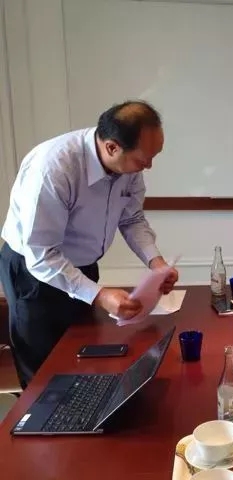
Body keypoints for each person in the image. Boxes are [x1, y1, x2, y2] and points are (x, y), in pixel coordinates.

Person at [0, 100, 179, 388]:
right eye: (143, 159)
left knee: (81, 356)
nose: (148, 166)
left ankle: (84, 410)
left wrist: (156, 264)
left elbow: (131, 218)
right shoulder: (53, 168)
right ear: (112, 147)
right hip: (33, 272)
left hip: (82, 265)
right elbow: (41, 254)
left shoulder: (128, 167)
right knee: (43, 376)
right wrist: (99, 295)